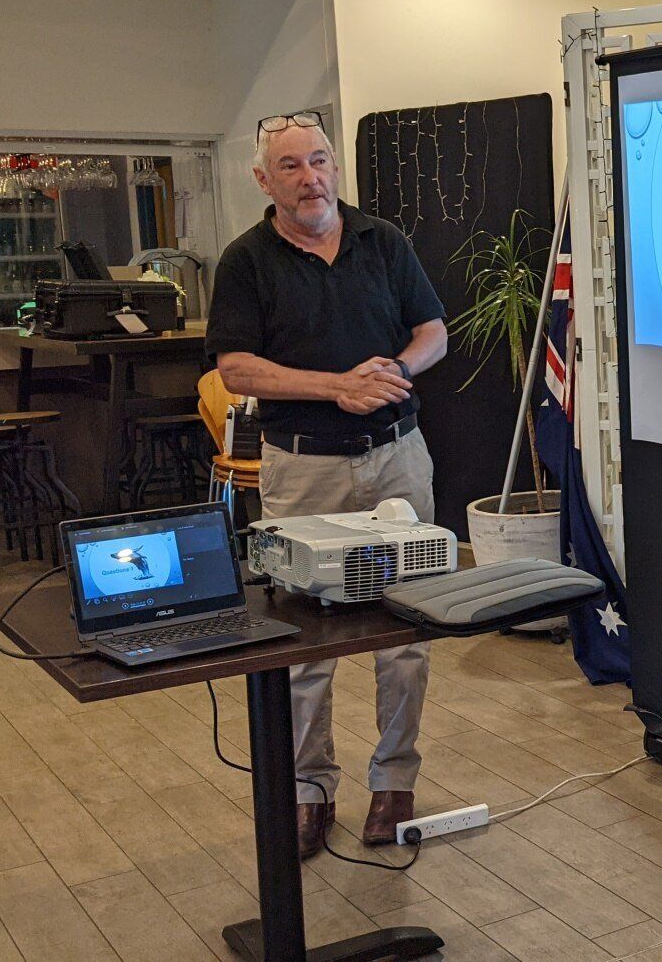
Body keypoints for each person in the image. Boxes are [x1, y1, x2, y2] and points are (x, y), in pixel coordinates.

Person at [205, 110, 449, 858]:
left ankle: (394, 781)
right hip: (303, 466)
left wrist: (394, 371)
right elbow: (235, 368)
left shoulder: (384, 240)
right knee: (304, 638)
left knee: (405, 631)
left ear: (335, 167)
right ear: (263, 180)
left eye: (318, 161)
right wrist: (336, 386)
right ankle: (310, 789)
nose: (309, 178)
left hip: (397, 459)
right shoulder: (246, 260)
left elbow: (433, 332)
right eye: (290, 166)